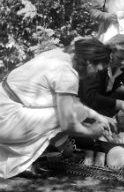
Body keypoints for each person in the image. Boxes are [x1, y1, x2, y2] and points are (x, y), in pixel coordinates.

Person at [0, 38, 117, 179]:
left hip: (6, 106)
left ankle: (39, 154)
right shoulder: (67, 74)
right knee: (64, 117)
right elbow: (67, 123)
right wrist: (91, 131)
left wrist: (98, 117)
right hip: (7, 118)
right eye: (97, 69)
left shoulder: (59, 55)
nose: (95, 74)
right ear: (88, 62)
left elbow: (72, 104)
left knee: (69, 111)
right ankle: (24, 164)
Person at [79, 34, 124, 119]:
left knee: (122, 89)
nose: (123, 62)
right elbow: (90, 96)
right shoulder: (95, 65)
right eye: (119, 58)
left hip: (103, 106)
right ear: (109, 52)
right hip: (83, 107)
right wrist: (120, 104)